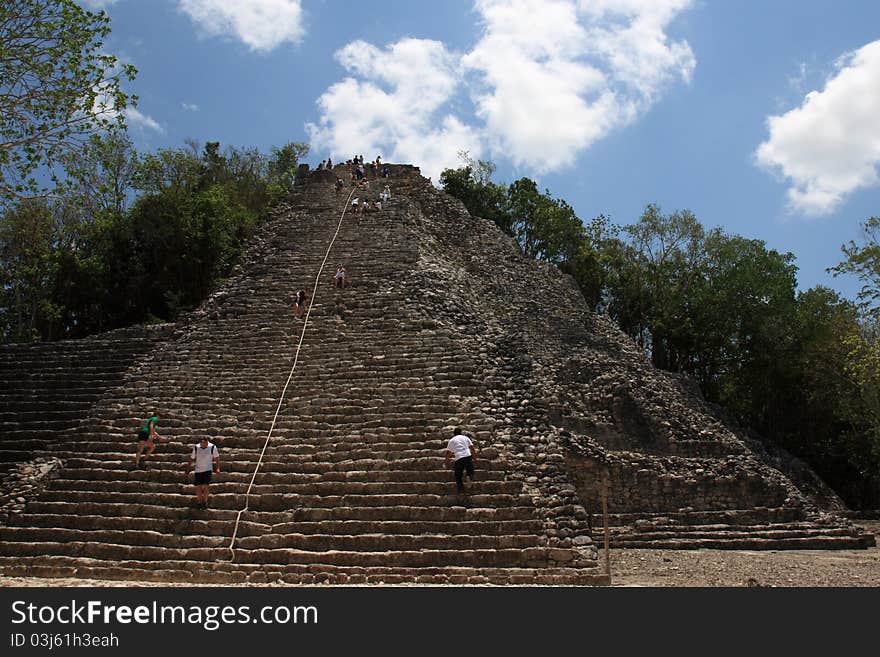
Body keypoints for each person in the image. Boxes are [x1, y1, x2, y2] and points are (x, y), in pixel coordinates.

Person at [188, 436, 220, 509]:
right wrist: (188, 467)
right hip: (198, 469)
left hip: (208, 469)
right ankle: (199, 502)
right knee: (198, 486)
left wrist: (217, 468)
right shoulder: (196, 447)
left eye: (204, 443)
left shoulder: (212, 447)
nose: (203, 445)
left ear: (206, 442)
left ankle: (205, 502)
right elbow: (192, 458)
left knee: (206, 485)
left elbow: (217, 458)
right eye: (201, 443)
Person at [444, 428, 476, 494]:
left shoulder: (452, 440)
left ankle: (461, 490)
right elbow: (472, 448)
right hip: (468, 455)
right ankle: (468, 477)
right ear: (461, 432)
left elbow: (448, 452)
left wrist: (446, 462)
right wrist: (475, 458)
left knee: (458, 475)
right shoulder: (465, 438)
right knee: (470, 470)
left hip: (459, 457)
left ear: (454, 434)